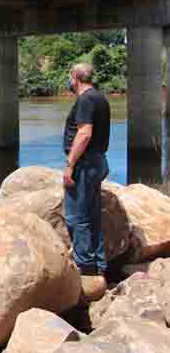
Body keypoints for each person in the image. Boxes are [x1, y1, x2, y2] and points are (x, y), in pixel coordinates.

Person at [62, 63, 110, 299]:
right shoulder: (100, 97)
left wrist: (70, 165)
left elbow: (84, 133)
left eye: (70, 78)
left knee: (76, 217)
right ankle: (99, 267)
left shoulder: (85, 100)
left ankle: (85, 269)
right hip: (97, 161)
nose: (69, 82)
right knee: (92, 215)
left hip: (85, 164)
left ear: (75, 78)